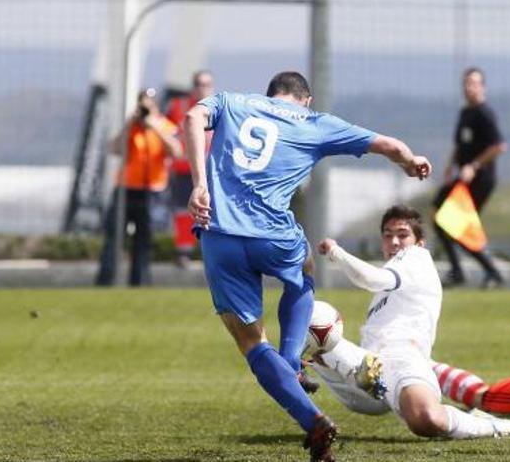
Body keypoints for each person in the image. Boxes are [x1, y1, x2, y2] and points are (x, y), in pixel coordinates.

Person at [183, 71, 432, 461]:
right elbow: (388, 144)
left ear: (270, 95)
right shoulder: (314, 123)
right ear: (306, 99)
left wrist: (200, 183)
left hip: (219, 231)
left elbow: (191, 118)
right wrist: (410, 161)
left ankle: (310, 416)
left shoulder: (231, 102)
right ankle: (290, 360)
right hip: (273, 235)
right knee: (303, 271)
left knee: (250, 342)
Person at [309, 205, 510, 440]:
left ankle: (492, 426)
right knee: (311, 318)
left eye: (403, 235)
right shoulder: (388, 286)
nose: (394, 241)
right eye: (387, 235)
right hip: (368, 373)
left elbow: (368, 278)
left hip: (402, 361)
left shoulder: (416, 258)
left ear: (420, 242)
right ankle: (299, 365)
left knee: (427, 419)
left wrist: (335, 251)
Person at [96, 88, 182, 286]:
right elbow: (114, 148)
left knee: (144, 240)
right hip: (126, 188)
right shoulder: (131, 127)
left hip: (152, 190)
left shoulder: (165, 126)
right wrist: (129, 124)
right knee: (114, 236)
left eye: (149, 103)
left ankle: (140, 282)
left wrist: (155, 128)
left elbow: (176, 152)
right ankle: (105, 281)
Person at [433, 67, 507, 289]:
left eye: (474, 83)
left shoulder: (485, 114)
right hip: (462, 178)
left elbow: (499, 146)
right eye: (466, 83)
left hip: (481, 179)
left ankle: (487, 271)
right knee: (439, 215)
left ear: (482, 87)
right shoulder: (465, 113)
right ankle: (464, 271)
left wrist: (474, 166)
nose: (469, 88)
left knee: (456, 225)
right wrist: (449, 167)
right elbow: (460, 145)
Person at [165, 70, 215, 267]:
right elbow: (166, 130)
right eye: (199, 84)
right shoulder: (179, 107)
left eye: (207, 84)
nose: (203, 88)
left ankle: (209, 252)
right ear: (193, 87)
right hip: (185, 171)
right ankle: (183, 252)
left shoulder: (219, 107)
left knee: (211, 212)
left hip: (211, 172)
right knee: (183, 212)